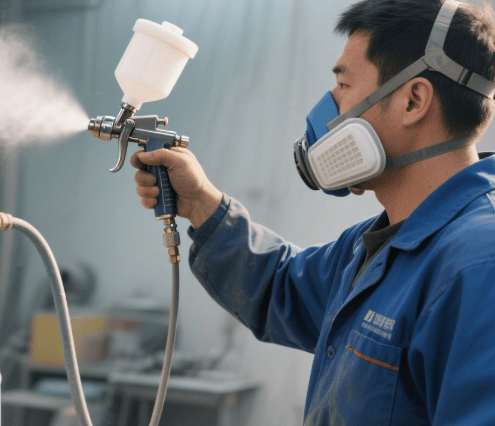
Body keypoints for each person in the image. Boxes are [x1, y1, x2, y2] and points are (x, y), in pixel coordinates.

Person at [132, 0, 495, 424]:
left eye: (343, 84)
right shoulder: (376, 245)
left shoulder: (478, 266)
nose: (330, 105)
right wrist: (200, 203)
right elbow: (281, 287)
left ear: (413, 101)